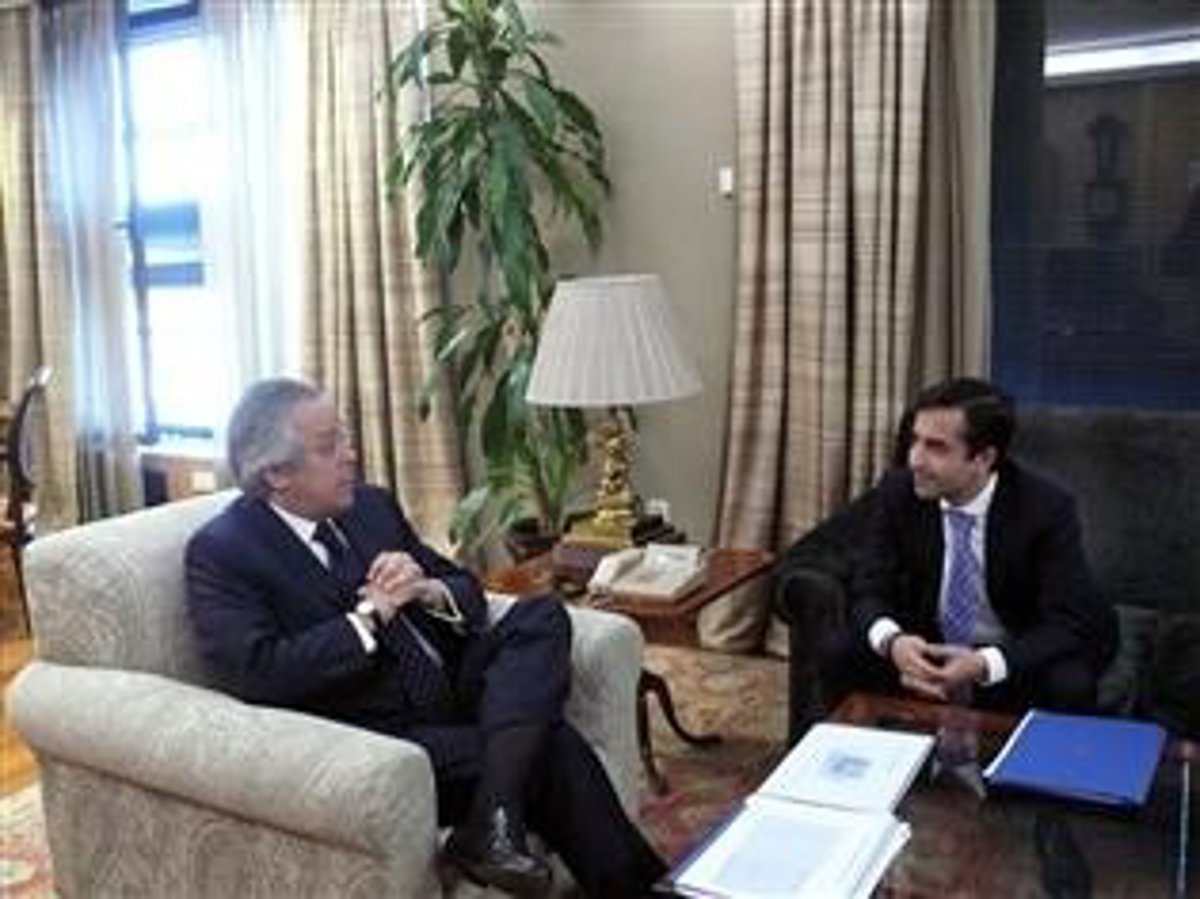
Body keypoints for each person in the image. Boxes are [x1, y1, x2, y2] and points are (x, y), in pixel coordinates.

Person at [185, 378, 665, 898]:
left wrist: (426, 589)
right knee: (553, 747)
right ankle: (623, 878)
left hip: (454, 688)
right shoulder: (224, 552)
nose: (350, 454)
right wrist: (369, 616)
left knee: (542, 615)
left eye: (345, 436)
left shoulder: (370, 507)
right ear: (277, 473)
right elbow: (261, 673)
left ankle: (492, 819)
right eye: (329, 446)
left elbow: (465, 588)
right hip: (385, 736)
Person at [820, 377, 1117, 712]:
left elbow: (1066, 622)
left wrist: (984, 664)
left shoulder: (1046, 508)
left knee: (1068, 682)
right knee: (839, 651)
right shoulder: (899, 491)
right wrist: (894, 642)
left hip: (1013, 648)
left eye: (936, 447)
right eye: (915, 440)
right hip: (928, 644)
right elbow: (869, 586)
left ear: (984, 458)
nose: (915, 459)